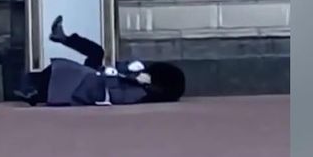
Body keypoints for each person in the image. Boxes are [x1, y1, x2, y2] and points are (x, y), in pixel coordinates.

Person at [14, 16, 186, 107]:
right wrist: (128, 72)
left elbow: (116, 95)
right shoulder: (140, 80)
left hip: (92, 84)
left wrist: (128, 78)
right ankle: (63, 38)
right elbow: (118, 68)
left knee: (64, 73)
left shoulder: (140, 93)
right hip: (94, 77)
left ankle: (33, 92)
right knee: (97, 52)